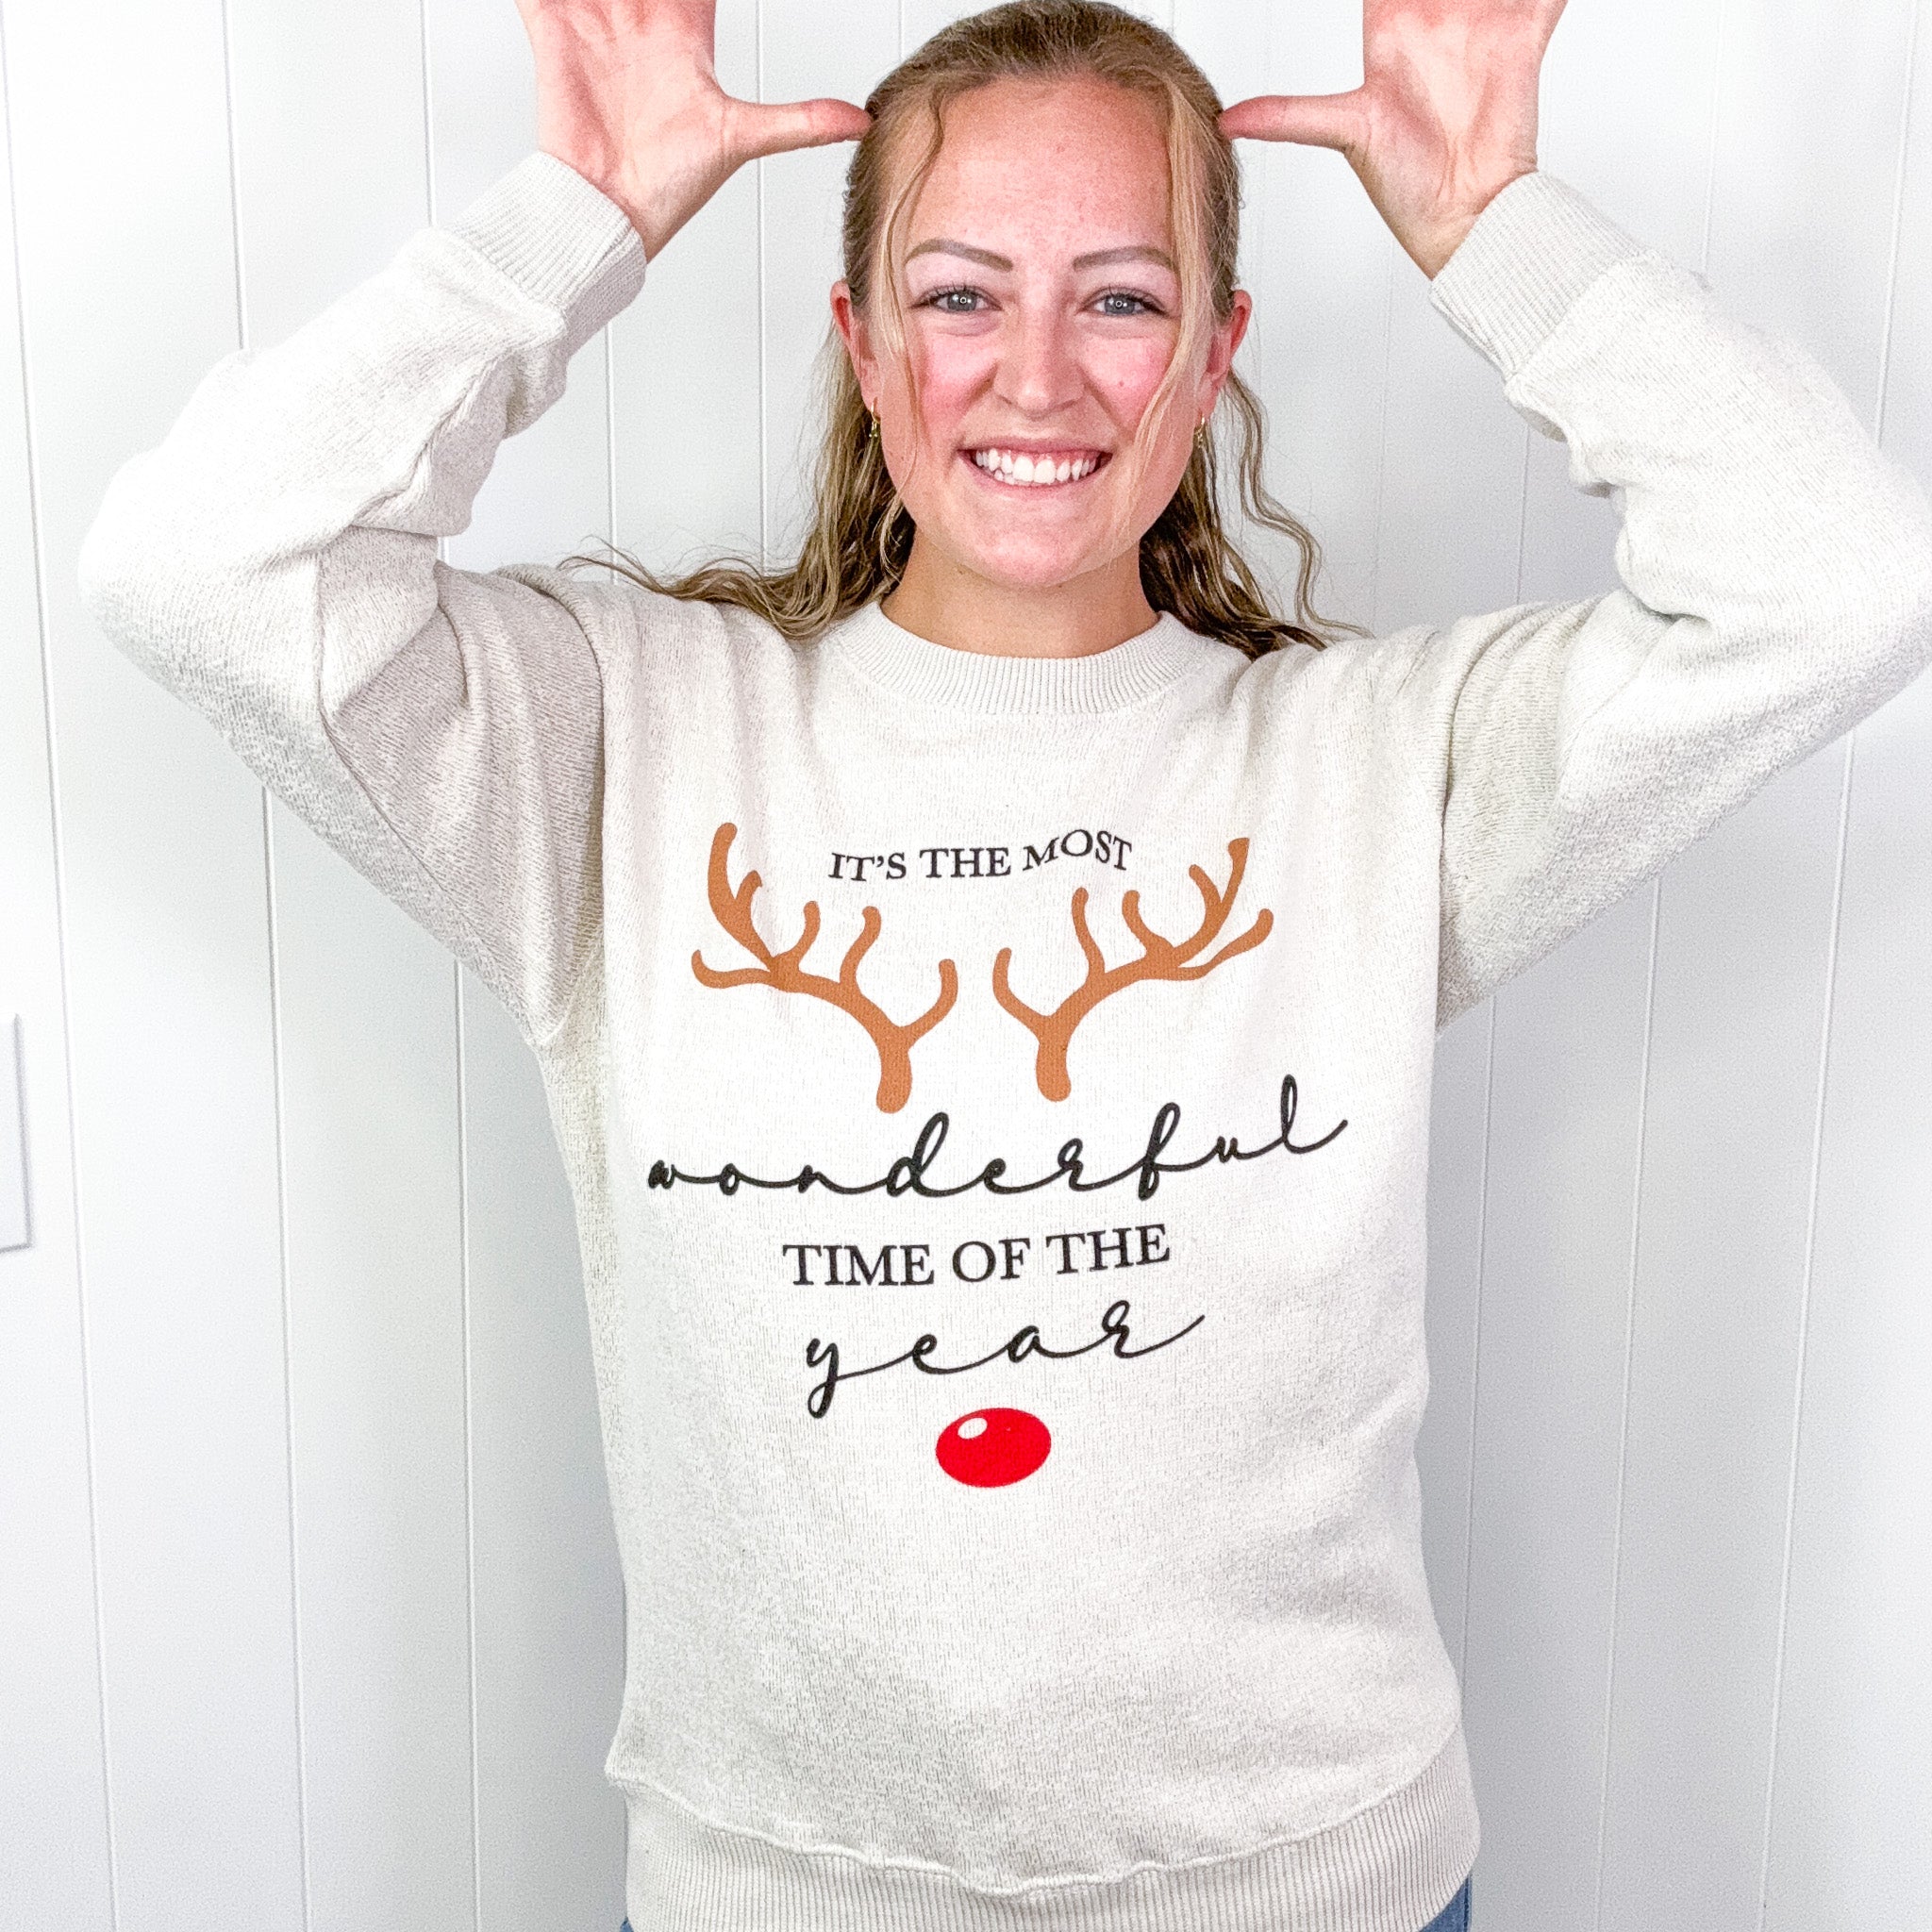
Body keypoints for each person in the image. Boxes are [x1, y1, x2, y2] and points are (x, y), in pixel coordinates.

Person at [76, 0, 1932, 1926]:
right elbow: (199, 569)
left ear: (1214, 353)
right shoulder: (622, 741)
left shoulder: (1378, 767)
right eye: (959, 294)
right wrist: (576, 218)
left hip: (1314, 1891)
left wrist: (1492, 223)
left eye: (1120, 299)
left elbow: (1835, 581)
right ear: (862, 341)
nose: (1036, 375)